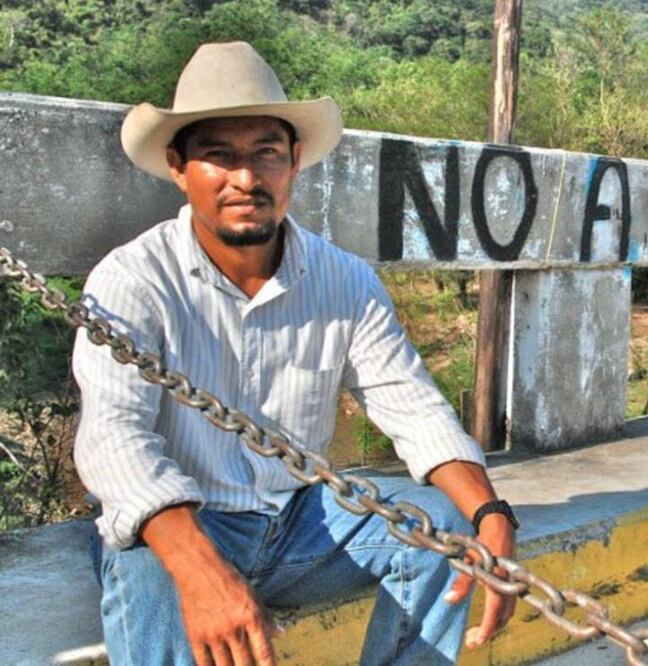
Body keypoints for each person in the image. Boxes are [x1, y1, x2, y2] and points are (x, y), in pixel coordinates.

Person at [73, 41, 518, 666]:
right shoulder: (133, 279)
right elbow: (113, 437)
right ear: (178, 166)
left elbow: (412, 408)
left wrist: (491, 513)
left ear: (295, 160)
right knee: (149, 565)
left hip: (304, 525)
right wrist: (202, 571)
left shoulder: (344, 280)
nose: (246, 179)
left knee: (444, 527)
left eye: (266, 154)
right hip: (186, 525)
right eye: (218, 157)